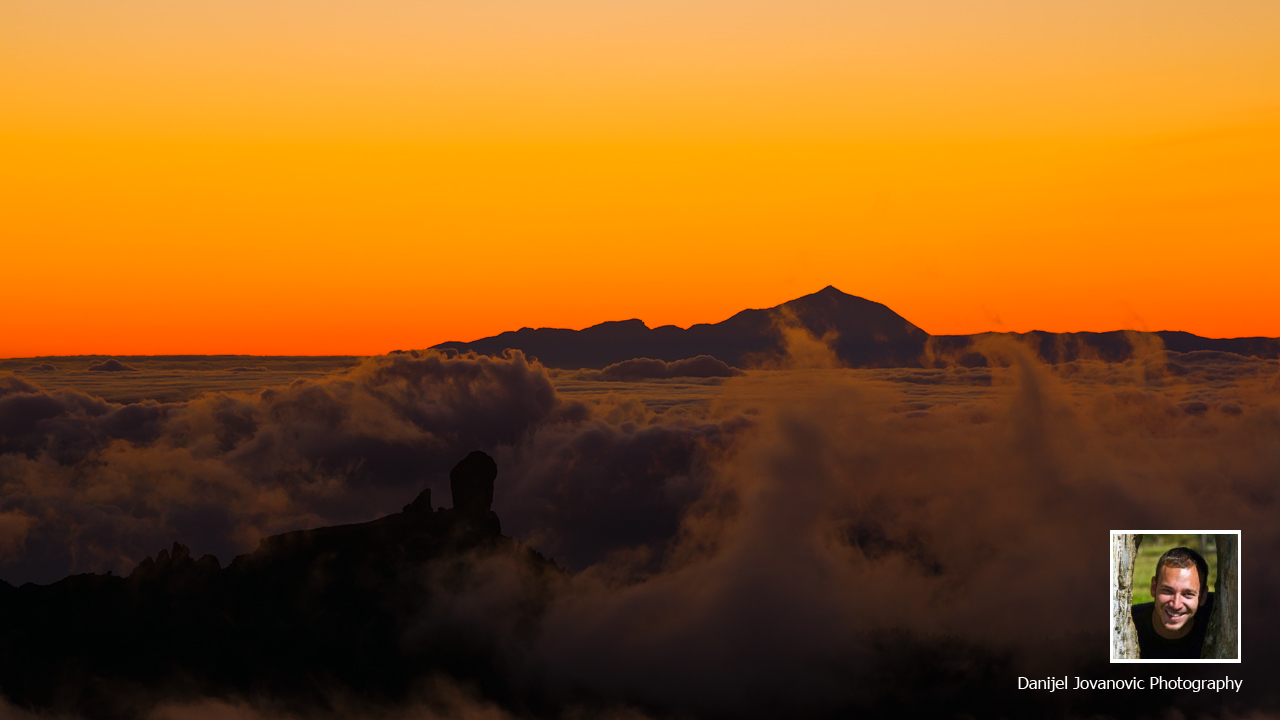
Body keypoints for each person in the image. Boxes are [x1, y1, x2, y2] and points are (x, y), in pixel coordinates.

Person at [1132, 546, 1214, 659]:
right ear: (1153, 588)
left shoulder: (1221, 615)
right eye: (1167, 591)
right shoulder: (1129, 622)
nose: (1176, 605)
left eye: (1188, 594)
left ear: (1203, 597)